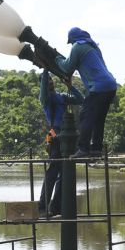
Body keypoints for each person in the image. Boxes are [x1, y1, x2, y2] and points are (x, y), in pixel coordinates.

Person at [54, 27, 117, 157]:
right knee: (99, 119)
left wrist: (57, 59)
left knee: (85, 117)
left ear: (73, 39)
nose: (71, 44)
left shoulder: (77, 46)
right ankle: (96, 149)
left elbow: (66, 67)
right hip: (111, 85)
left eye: (70, 42)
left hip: (98, 87)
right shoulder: (93, 46)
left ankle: (83, 149)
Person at [38, 69, 84, 217]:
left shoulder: (62, 97)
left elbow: (80, 99)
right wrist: (45, 69)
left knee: (64, 173)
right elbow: (44, 88)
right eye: (47, 80)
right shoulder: (45, 99)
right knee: (53, 171)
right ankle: (43, 205)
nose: (50, 81)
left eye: (51, 79)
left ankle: (56, 206)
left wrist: (70, 86)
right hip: (56, 135)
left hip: (67, 135)